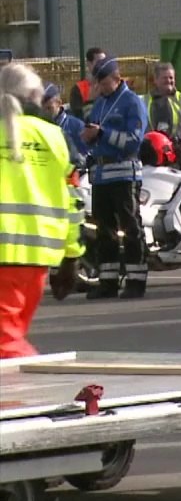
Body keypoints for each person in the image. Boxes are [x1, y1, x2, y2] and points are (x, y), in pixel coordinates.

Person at [0, 63, 84, 358]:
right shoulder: (54, 137)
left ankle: (21, 399)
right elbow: (72, 199)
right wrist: (71, 256)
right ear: (36, 97)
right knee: (12, 335)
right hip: (36, 259)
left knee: (6, 346)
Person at [82, 57, 150, 299]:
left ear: (116, 78)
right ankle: (108, 281)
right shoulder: (100, 103)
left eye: (103, 81)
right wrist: (88, 137)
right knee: (104, 231)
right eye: (97, 82)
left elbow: (134, 139)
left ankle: (136, 280)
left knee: (130, 227)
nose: (99, 86)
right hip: (101, 177)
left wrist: (103, 134)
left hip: (124, 174)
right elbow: (93, 135)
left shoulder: (132, 102)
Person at [41, 83, 91, 168]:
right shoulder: (37, 128)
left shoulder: (76, 126)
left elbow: (88, 157)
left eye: (49, 108)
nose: (45, 113)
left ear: (59, 103)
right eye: (42, 109)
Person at [142, 62, 181, 140]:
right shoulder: (144, 101)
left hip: (180, 148)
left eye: (171, 77)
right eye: (165, 78)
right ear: (155, 80)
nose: (169, 80)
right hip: (153, 148)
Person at [69, 47, 107, 120]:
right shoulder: (78, 89)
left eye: (105, 62)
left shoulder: (113, 84)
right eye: (99, 62)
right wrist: (91, 101)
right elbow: (78, 118)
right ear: (89, 64)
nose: (103, 65)